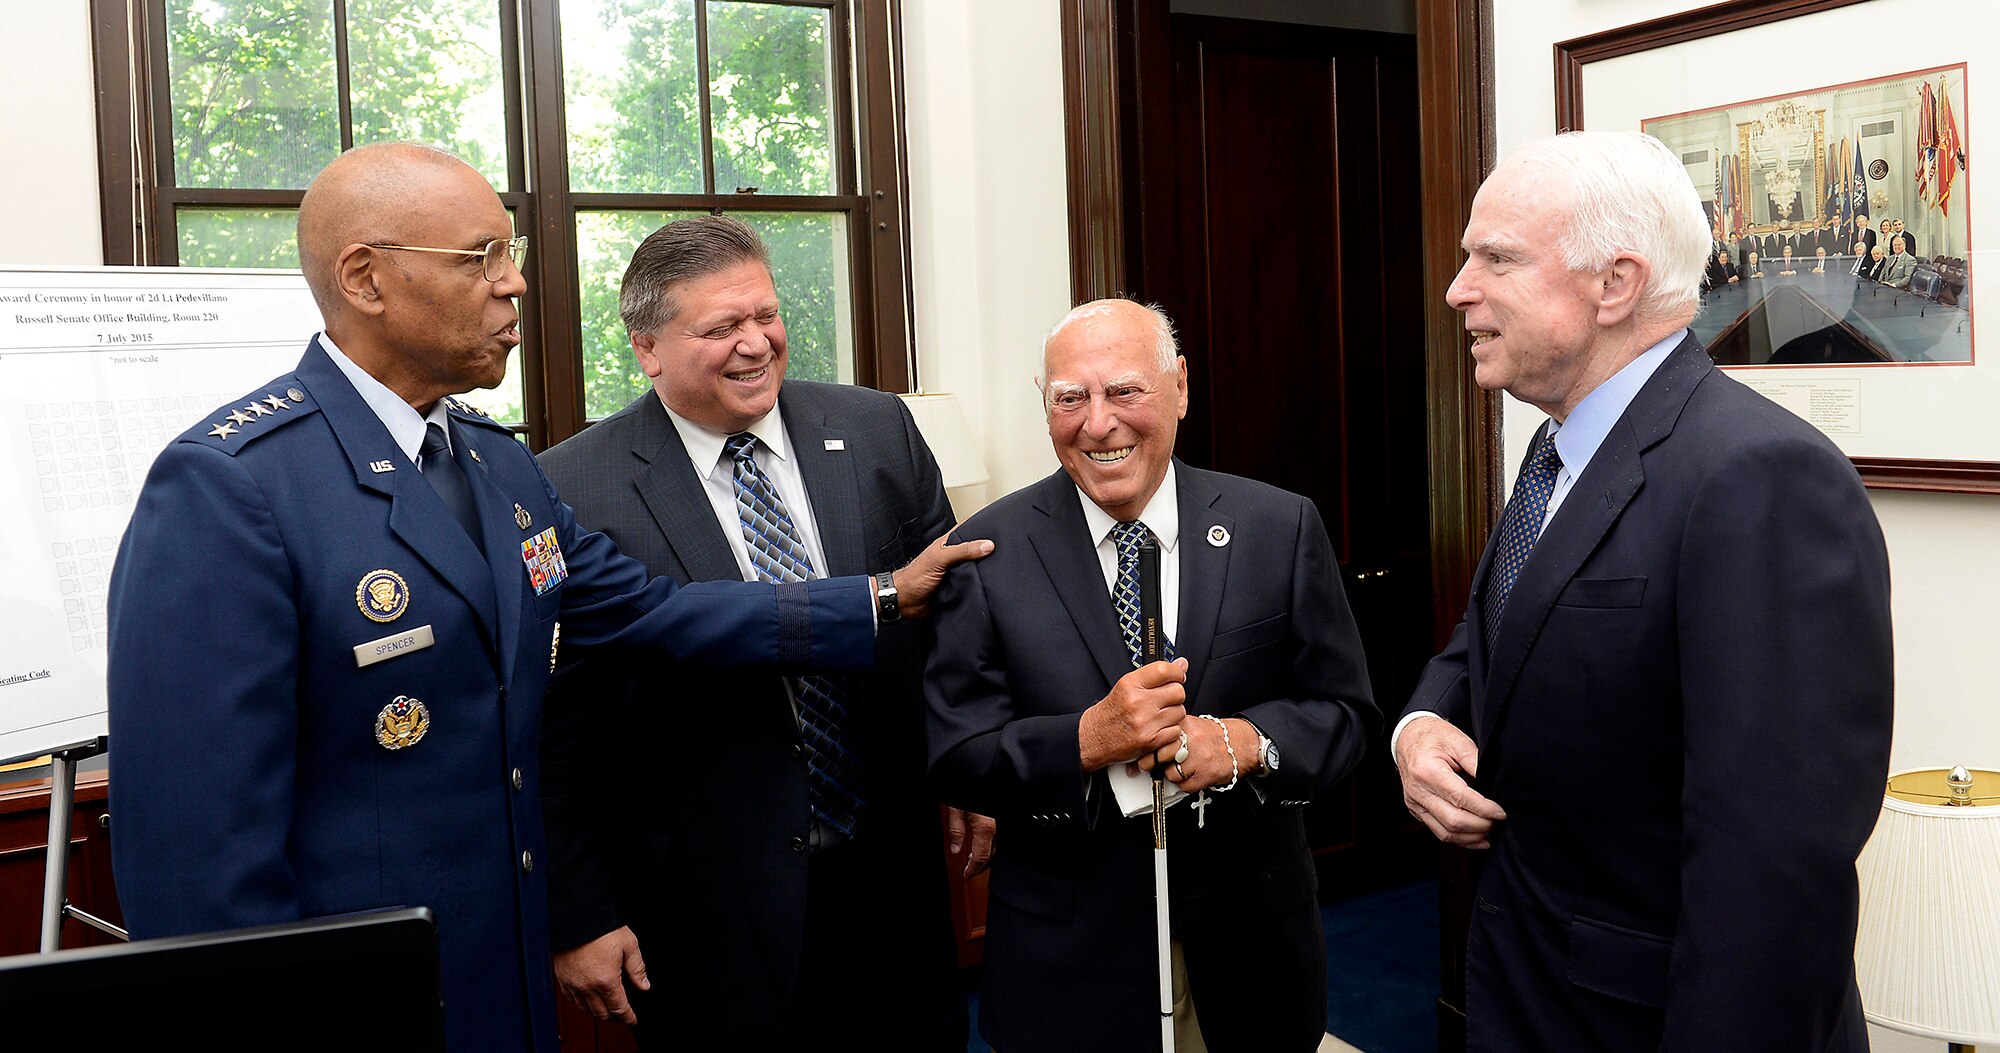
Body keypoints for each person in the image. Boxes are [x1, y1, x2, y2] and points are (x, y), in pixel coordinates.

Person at [104, 143, 985, 1053]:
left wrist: (878, 597)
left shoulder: (493, 462)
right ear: (365, 278)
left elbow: (656, 612)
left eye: (510, 252)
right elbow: (198, 863)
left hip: (500, 973)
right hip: (358, 996)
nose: (516, 282)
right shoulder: (231, 486)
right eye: (480, 256)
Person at [1393, 130, 1892, 1051]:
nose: (1459, 288)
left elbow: (1771, 875)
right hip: (1528, 997)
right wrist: (1420, 724)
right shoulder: (1557, 451)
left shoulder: (1762, 476)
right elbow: (1495, 638)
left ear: (1615, 285)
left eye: (1495, 258)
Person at [535, 216, 989, 1050]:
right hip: (707, 908)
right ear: (648, 348)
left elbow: (952, 634)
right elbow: (558, 729)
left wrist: (968, 768)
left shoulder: (879, 429)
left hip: (891, 878)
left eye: (766, 316)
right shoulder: (570, 486)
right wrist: (580, 911)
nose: (756, 344)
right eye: (720, 328)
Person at [925, 299, 1379, 1053]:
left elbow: (1347, 715)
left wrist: (1244, 742)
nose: (1098, 423)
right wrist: (1083, 739)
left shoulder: (1279, 525)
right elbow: (954, 753)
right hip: (1069, 967)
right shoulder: (985, 552)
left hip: (1252, 952)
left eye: (1125, 390)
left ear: (1180, 387)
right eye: (1070, 397)